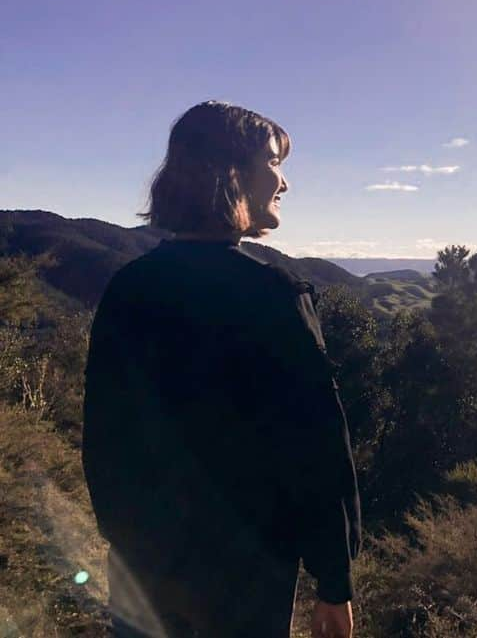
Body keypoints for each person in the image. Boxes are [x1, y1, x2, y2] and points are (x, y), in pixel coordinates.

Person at [82, 101, 361, 637]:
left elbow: (105, 438)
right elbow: (318, 448)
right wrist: (334, 579)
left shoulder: (129, 289)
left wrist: (130, 539)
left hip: (142, 577)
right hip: (246, 582)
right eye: (274, 163)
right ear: (231, 173)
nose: (284, 183)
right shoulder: (274, 297)